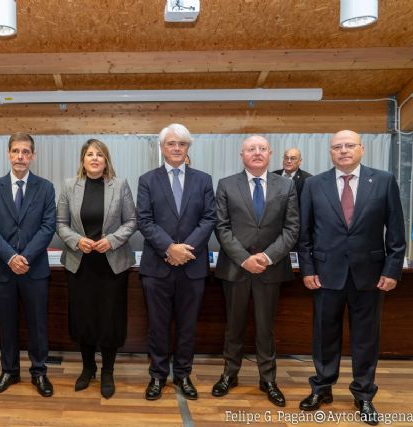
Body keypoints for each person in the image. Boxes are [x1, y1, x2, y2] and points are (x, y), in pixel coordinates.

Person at [298, 130, 405, 425]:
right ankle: (321, 388)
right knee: (323, 336)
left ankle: (364, 394)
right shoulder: (313, 185)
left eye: (349, 146)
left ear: (362, 149)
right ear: (330, 152)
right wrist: (307, 270)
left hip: (370, 276)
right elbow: (304, 234)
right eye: (337, 147)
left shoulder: (383, 181)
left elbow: (396, 230)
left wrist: (391, 269)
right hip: (325, 275)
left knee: (366, 339)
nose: (343, 151)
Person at [211, 135, 299, 407]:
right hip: (236, 269)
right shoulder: (226, 185)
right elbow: (221, 227)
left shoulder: (286, 186)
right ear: (242, 154)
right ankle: (230, 374)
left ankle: (268, 379)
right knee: (233, 326)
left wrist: (267, 256)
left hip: (269, 270)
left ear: (270, 153)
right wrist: (243, 258)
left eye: (262, 149)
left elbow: (292, 228)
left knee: (265, 327)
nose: (257, 153)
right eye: (251, 149)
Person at [136, 123, 216, 401]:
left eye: (182, 144)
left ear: (188, 148)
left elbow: (209, 219)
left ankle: (182, 374)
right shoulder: (147, 180)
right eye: (171, 143)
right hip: (157, 267)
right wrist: (169, 247)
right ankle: (157, 375)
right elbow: (144, 220)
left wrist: (185, 250)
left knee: (187, 325)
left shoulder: (203, 180)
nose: (176, 148)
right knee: (157, 325)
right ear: (162, 147)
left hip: (192, 266)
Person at [56, 139, 137, 399]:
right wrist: (76, 240)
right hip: (80, 263)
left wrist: (111, 240)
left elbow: (132, 221)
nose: (94, 158)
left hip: (111, 265)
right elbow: (60, 223)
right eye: (89, 154)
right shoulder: (70, 186)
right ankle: (88, 367)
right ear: (83, 160)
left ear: (106, 160)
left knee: (110, 318)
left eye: (99, 155)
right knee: (84, 317)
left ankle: (108, 371)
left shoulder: (120, 185)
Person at [0, 132, 56, 397]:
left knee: (38, 324)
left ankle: (39, 372)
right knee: (7, 323)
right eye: (16, 151)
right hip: (4, 269)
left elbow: (48, 227)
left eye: (26, 152)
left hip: (35, 269)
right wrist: (11, 257)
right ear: (8, 154)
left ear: (33, 156)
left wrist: (26, 257)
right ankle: (9, 371)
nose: (21, 157)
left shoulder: (45, 187)